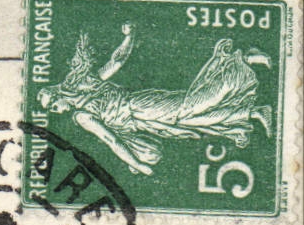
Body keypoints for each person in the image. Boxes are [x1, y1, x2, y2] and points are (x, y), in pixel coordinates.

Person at [40, 25, 273, 177]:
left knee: (191, 108)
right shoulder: (84, 97)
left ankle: (243, 60)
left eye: (53, 105)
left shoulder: (82, 112)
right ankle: (255, 112)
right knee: (193, 121)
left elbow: (111, 140)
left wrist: (129, 37)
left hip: (141, 106)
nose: (57, 111)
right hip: (144, 121)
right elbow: (117, 63)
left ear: (59, 94)